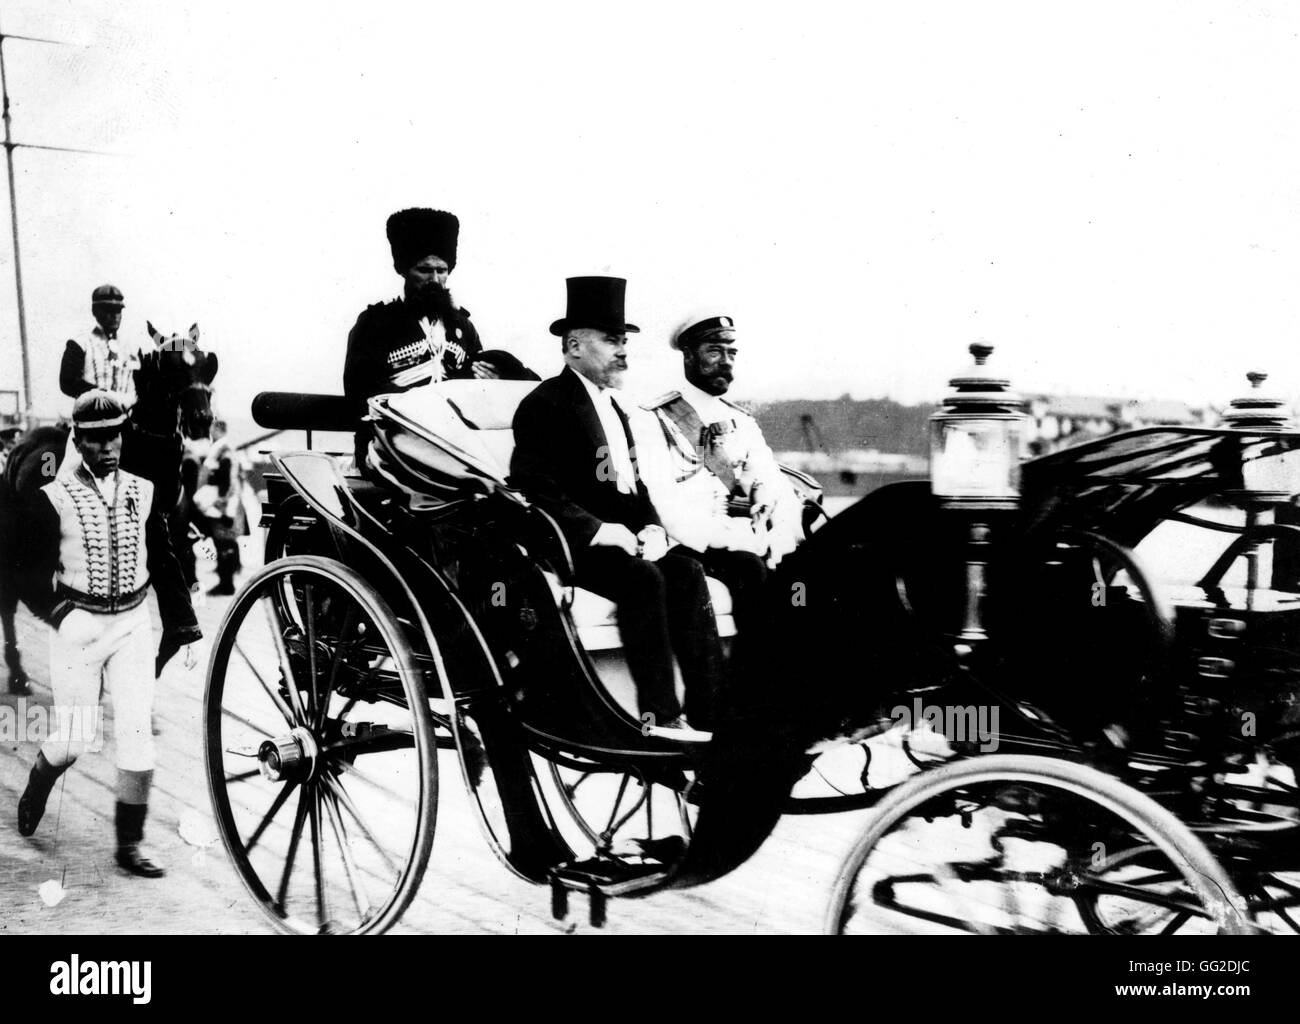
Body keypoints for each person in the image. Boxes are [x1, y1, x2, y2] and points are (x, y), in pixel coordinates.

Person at [509, 277, 723, 735]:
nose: (623, 351)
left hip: (619, 542)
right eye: (612, 341)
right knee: (642, 579)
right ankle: (659, 715)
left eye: (624, 342)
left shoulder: (617, 409)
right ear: (573, 346)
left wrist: (649, 527)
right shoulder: (544, 403)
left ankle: (711, 712)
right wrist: (601, 530)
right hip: (568, 545)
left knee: (686, 572)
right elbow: (535, 486)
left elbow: (633, 486)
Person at [14, 391, 202, 877]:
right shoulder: (51, 499)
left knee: (138, 733)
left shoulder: (142, 490)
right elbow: (26, 576)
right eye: (96, 440)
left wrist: (184, 626)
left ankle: (129, 845)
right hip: (77, 630)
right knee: (75, 738)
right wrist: (59, 614)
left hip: (132, 626)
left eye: (115, 436)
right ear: (79, 439)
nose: (109, 448)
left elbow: (162, 557)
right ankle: (39, 779)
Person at [634, 310, 804, 642]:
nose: (725, 361)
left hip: (748, 542)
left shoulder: (742, 421)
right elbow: (664, 503)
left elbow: (776, 487)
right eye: (714, 351)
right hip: (690, 545)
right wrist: (738, 542)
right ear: (688, 356)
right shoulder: (652, 420)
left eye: (731, 352)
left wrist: (779, 541)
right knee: (750, 571)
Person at [343, 207, 537, 466]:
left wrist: (495, 377)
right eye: (424, 270)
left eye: (442, 270)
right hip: (390, 441)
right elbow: (360, 390)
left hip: (450, 446)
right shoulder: (375, 322)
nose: (435, 279)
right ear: (404, 270)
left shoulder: (463, 327)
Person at [59, 284, 139, 408]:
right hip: (89, 420)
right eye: (108, 310)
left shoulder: (129, 347)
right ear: (95, 311)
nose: (115, 315)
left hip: (124, 420)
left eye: (118, 310)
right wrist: (104, 395)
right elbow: (67, 383)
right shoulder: (80, 343)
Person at [193, 418, 248, 596]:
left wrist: (222, 505)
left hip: (222, 503)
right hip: (228, 501)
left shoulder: (222, 450)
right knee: (226, 543)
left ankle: (226, 584)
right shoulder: (228, 449)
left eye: (212, 430)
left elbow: (226, 481)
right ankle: (227, 581)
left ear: (217, 430)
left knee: (224, 543)